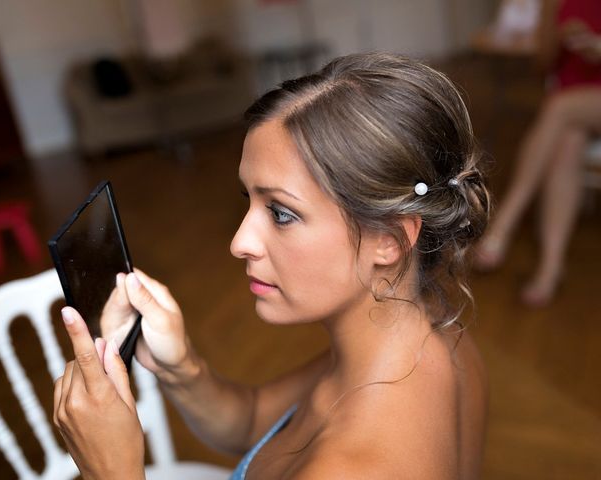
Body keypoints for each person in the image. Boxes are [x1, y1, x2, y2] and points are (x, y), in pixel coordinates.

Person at [52, 53, 490, 479]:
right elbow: (250, 421)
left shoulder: (356, 467)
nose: (239, 242)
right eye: (251, 200)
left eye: (281, 212)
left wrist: (112, 469)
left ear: (389, 240)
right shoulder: (426, 341)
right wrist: (180, 368)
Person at [475, 0, 601, 306]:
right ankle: (551, 265)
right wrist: (556, 40)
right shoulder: (553, 3)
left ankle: (504, 222)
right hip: (569, 104)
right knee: (567, 140)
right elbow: (542, 67)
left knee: (559, 108)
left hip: (574, 103)